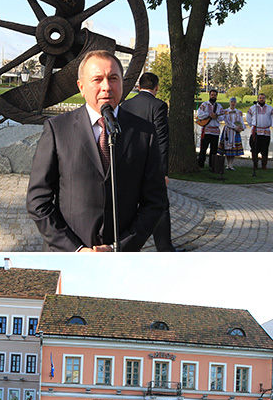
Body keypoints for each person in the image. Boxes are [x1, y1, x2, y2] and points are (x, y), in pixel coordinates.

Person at [26, 49, 167, 251]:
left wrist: (118, 247)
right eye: (97, 79)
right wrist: (77, 250)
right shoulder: (57, 129)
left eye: (113, 78)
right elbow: (38, 201)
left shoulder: (145, 132)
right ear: (81, 87)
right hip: (69, 255)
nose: (106, 87)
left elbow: (155, 201)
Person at [122, 71, 174, 251]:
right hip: (150, 166)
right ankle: (164, 248)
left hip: (128, 164)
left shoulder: (125, 105)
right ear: (156, 88)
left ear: (138, 86)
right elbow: (162, 140)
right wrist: (163, 171)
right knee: (160, 205)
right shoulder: (158, 106)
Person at [246, 92, 273, 172]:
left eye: (263, 98)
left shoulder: (269, 108)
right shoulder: (253, 108)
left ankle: (264, 165)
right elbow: (248, 117)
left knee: (265, 150)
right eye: (260, 98)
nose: (261, 99)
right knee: (254, 149)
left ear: (265, 99)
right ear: (257, 99)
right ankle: (255, 165)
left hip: (265, 132)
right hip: (256, 132)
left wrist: (271, 124)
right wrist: (252, 124)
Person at [197, 87, 224, 168]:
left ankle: (212, 166)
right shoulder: (204, 105)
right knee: (203, 149)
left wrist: (216, 117)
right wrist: (209, 114)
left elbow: (222, 117)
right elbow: (199, 115)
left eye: (215, 95)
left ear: (217, 96)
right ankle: (200, 165)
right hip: (206, 130)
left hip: (215, 131)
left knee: (214, 150)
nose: (213, 96)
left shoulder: (219, 106)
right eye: (212, 95)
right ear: (209, 95)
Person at [219, 97, 245, 170]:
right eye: (232, 102)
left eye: (234, 102)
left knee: (233, 148)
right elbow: (226, 121)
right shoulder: (226, 111)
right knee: (228, 148)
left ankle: (231, 164)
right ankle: (227, 165)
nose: (233, 103)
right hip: (228, 130)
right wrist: (235, 127)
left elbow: (241, 121)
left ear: (236, 103)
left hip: (235, 132)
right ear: (229, 102)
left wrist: (242, 127)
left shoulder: (239, 112)